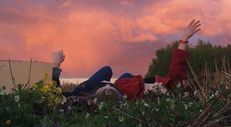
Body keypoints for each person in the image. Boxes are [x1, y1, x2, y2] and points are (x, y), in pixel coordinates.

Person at [52, 19, 201, 101]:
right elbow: (177, 70)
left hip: (111, 91)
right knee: (110, 71)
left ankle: (94, 94)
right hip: (117, 85)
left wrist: (55, 66)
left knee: (69, 96)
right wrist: (183, 40)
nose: (160, 85)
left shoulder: (171, 92)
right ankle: (101, 91)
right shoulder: (168, 85)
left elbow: (177, 72)